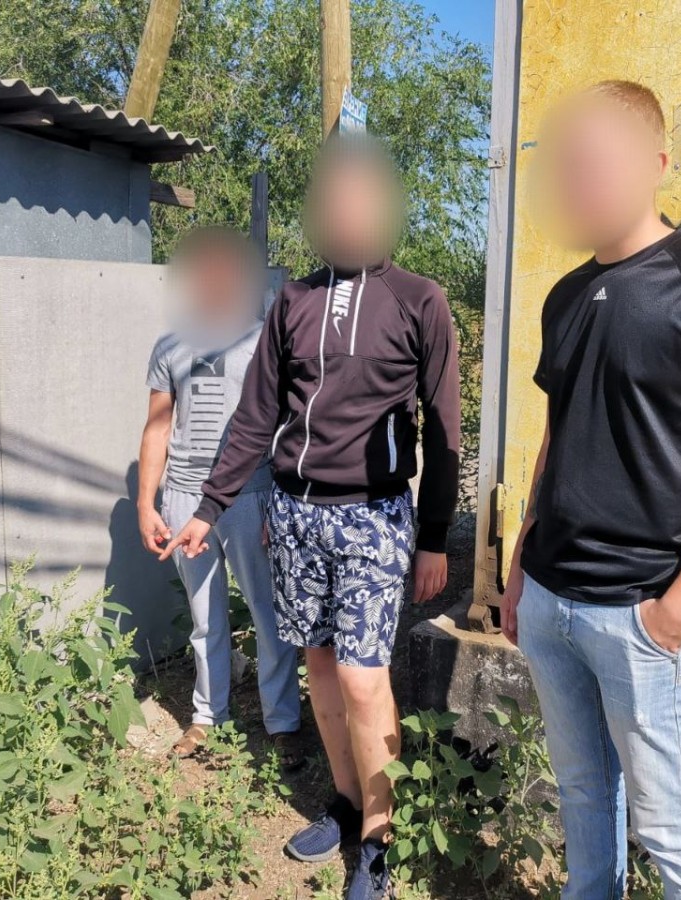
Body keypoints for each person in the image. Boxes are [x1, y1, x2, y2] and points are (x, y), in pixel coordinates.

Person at [500, 81, 681, 900]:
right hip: (553, 600)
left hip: (644, 613)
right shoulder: (565, 296)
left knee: (675, 832)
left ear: (658, 164)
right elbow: (558, 438)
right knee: (583, 797)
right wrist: (520, 567)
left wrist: (678, 610)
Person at [161, 137, 460, 900]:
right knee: (320, 664)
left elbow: (444, 431)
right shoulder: (293, 301)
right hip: (295, 516)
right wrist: (210, 507)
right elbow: (256, 416)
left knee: (363, 677)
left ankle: (380, 841)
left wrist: (434, 537)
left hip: (373, 518)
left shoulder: (419, 300)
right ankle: (348, 800)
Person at [139, 226, 303, 767]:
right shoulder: (169, 345)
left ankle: (282, 721)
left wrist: (279, 502)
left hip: (251, 494)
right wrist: (146, 502)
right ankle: (208, 717)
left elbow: (287, 428)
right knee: (205, 617)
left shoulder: (263, 342)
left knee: (267, 613)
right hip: (184, 498)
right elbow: (157, 428)